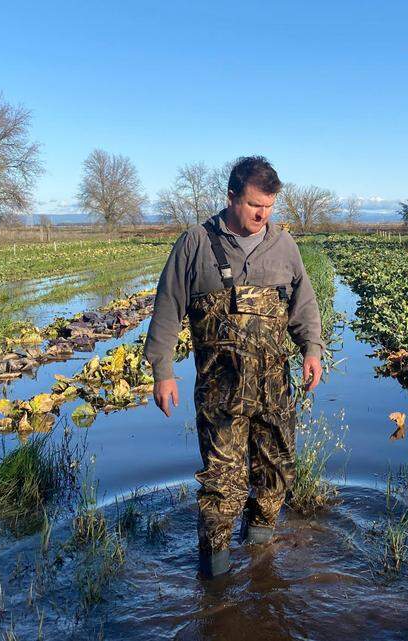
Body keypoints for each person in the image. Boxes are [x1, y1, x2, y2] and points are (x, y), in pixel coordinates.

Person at [142, 156, 324, 578]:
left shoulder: (284, 245)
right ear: (231, 197)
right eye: (255, 205)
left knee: (277, 473)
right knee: (221, 485)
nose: (263, 215)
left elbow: (304, 304)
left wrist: (311, 349)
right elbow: (168, 306)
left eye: (270, 206)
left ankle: (259, 556)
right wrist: (162, 371)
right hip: (221, 391)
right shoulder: (196, 242)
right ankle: (215, 580)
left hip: (274, 388)